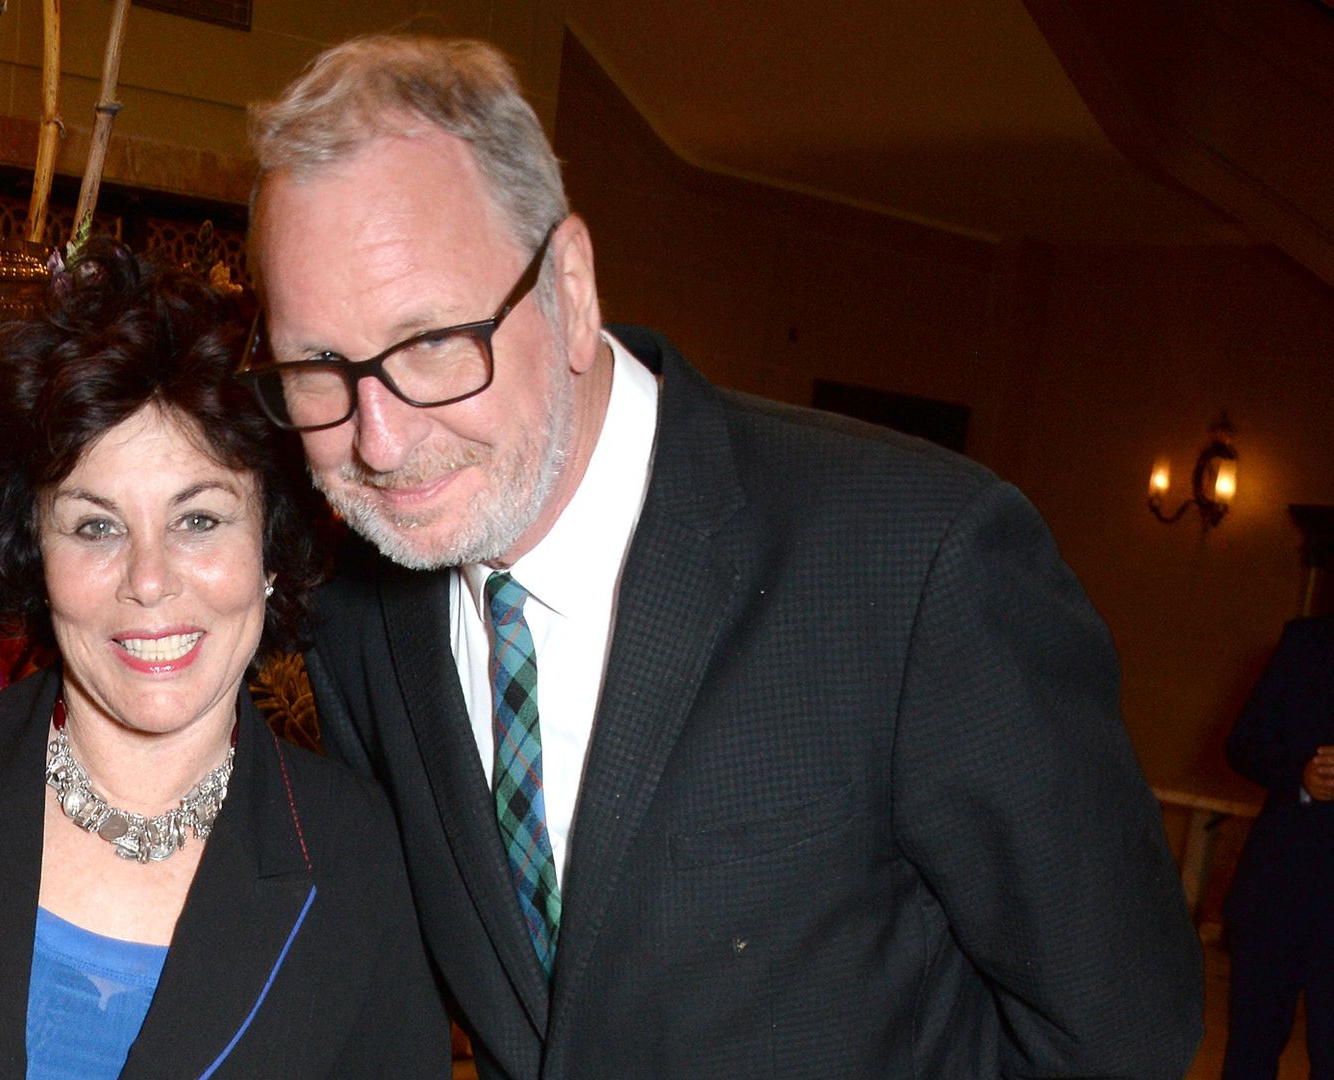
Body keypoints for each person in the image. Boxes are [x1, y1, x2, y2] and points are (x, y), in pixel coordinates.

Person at [239, 34, 1204, 1079]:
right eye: (316, 366)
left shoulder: (918, 562)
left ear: (571, 287)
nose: (379, 443)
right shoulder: (360, 621)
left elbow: (1120, 1036)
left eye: (433, 342)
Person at [0, 243, 445, 1079]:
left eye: (200, 520)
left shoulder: (359, 852)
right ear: (35, 553)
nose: (149, 580)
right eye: (96, 527)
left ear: (271, 547)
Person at [1222, 615, 1334, 1079]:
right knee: (1249, 1057)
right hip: (1278, 892)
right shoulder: (1308, 641)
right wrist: (1300, 777)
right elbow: (1244, 743)